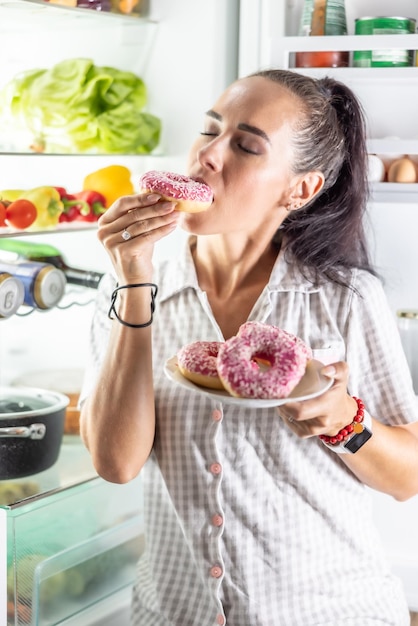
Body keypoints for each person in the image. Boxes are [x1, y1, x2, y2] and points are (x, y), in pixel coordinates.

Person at [79, 69, 418, 626]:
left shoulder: (345, 298)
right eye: (210, 130)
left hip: (326, 612)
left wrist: (343, 419)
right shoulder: (128, 281)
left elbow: (407, 478)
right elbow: (117, 463)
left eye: (245, 145)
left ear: (300, 188)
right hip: (175, 612)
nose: (208, 156)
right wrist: (134, 283)